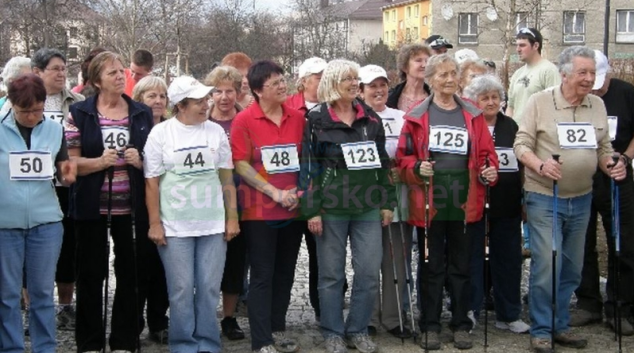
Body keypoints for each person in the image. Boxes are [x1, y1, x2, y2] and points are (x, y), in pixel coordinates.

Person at [513, 45, 626, 353]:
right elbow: (521, 145)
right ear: (564, 74)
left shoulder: (597, 106)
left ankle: (559, 325)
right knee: (548, 262)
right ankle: (541, 329)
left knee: (573, 267)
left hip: (582, 198)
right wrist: (540, 165)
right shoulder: (539, 102)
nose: (589, 79)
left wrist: (611, 164)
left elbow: (603, 147)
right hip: (544, 197)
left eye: (592, 73)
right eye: (583, 73)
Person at [396, 53, 498, 351]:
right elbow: (403, 156)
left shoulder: (473, 114)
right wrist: (416, 168)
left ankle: (461, 323)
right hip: (430, 200)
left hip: (464, 199)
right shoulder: (417, 116)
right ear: (430, 80)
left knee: (462, 264)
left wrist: (489, 169)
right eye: (443, 75)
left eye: (454, 73)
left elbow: (486, 154)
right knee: (431, 264)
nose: (450, 79)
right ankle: (429, 324)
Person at [299, 59, 395, 353]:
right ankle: (332, 332)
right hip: (331, 209)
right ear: (332, 83)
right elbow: (308, 167)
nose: (354, 84)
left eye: (356, 79)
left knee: (367, 271)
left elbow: (383, 164)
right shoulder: (316, 119)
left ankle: (358, 329)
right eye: (348, 79)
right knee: (331, 275)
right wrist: (312, 209)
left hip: (366, 207)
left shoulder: (371, 119)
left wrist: (388, 201)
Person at [65, 51, 153, 353]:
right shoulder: (79, 113)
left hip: (131, 207)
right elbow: (69, 165)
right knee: (91, 274)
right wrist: (99, 162)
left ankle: (124, 341)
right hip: (92, 206)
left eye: (121, 72)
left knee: (130, 273)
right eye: (112, 73)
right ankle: (90, 342)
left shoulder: (141, 113)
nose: (120, 77)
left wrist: (140, 160)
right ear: (97, 81)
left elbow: (156, 160)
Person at [144, 75, 238, 353]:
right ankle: (183, 344)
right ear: (181, 105)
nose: (206, 105)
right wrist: (154, 223)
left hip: (212, 224)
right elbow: (152, 182)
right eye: (198, 101)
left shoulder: (216, 132)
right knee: (181, 290)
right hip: (175, 226)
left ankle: (208, 343)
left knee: (209, 289)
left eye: (205, 100)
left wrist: (231, 217)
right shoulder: (161, 134)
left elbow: (227, 178)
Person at [230, 60, 305, 353]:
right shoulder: (245, 120)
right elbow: (241, 164)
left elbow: (306, 162)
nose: (282, 85)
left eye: (282, 80)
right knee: (262, 273)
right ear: (259, 90)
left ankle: (277, 328)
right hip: (259, 210)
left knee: (286, 272)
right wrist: (273, 191)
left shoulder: (298, 118)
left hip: (293, 208)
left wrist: (299, 192)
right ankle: (261, 341)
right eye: (274, 83)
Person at [0, 73, 77, 353]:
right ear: (11, 104)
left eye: (38, 109)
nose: (32, 116)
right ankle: (11, 347)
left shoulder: (55, 130)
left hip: (46, 222)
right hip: (4, 223)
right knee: (7, 294)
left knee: (43, 292)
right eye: (25, 111)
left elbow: (63, 166)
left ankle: (45, 347)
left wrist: (68, 172)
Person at [570, 50, 634, 334]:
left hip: (617, 174)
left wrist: (627, 158)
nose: (592, 86)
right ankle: (588, 303)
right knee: (582, 241)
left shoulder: (626, 93)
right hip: (583, 174)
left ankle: (620, 306)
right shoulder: (576, 96)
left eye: (597, 80)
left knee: (621, 240)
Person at [463, 74, 529, 333]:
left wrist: (523, 198)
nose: (491, 102)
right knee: (473, 258)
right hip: (475, 202)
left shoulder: (511, 126)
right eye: (485, 98)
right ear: (474, 100)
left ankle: (509, 313)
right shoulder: (469, 124)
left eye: (495, 97)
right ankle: (470, 311)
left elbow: (521, 163)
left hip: (508, 202)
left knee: (509, 259)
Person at [31, 47, 85, 332]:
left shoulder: (77, 103)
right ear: (37, 72)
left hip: (65, 185)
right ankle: (32, 309)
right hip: (33, 188)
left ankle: (66, 305)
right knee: (33, 248)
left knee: (68, 245)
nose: (62, 73)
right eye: (55, 68)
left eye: (64, 68)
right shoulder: (20, 101)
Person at [359, 64, 412, 339]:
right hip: (367, 196)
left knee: (395, 258)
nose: (378, 91)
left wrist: (399, 167)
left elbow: (410, 150)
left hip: (397, 193)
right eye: (372, 86)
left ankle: (394, 317)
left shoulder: (401, 116)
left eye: (382, 85)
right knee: (368, 260)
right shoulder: (357, 118)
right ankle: (368, 316)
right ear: (361, 90)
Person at [507, 27, 560, 257]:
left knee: (534, 191)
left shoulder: (549, 71)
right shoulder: (518, 73)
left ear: (535, 45)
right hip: (517, 141)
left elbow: (552, 106)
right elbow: (510, 105)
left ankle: (533, 241)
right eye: (516, 45)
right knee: (516, 190)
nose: (518, 49)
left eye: (522, 45)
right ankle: (521, 237)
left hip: (537, 142)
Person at [203, 65, 247, 341]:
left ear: (238, 92)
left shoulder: (246, 120)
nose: (223, 96)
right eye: (217, 91)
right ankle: (204, 314)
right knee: (205, 262)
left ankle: (229, 318)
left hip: (242, 201)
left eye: (229, 90)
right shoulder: (199, 120)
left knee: (235, 261)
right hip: (203, 202)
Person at [130, 75, 170, 344]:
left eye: (162, 96)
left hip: (170, 206)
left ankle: (159, 321)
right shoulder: (131, 127)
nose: (157, 101)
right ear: (139, 100)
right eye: (151, 96)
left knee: (163, 269)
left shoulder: (172, 128)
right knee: (137, 268)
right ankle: (133, 324)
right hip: (137, 207)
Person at [387, 43, 432, 113]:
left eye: (427, 61)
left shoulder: (434, 98)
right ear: (405, 67)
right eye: (418, 60)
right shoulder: (390, 98)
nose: (424, 65)